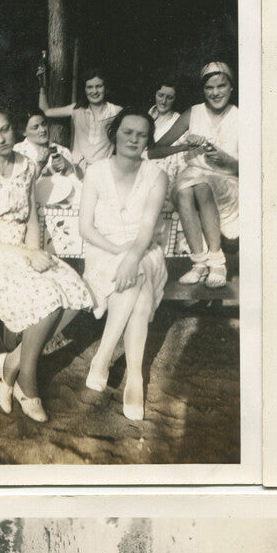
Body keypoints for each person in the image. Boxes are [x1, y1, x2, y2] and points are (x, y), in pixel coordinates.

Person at [0, 97, 93, 424]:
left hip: (21, 245)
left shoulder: (27, 165)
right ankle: (28, 382)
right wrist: (23, 256)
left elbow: (32, 218)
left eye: (5, 129)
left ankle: (11, 364)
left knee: (75, 292)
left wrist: (34, 253)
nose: (1, 139)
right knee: (47, 299)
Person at [79, 110, 169, 421]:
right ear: (115, 133)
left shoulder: (157, 176)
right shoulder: (95, 172)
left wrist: (130, 257)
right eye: (127, 132)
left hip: (144, 251)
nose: (133, 139)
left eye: (141, 135)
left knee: (139, 271)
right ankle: (134, 378)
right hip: (103, 251)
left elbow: (146, 232)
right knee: (139, 294)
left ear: (148, 140)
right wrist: (118, 251)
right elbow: (86, 228)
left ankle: (105, 359)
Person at [150, 61, 239, 288]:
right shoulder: (193, 113)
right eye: (209, 88)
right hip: (193, 176)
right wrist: (184, 147)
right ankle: (199, 262)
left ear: (231, 87)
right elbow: (155, 150)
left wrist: (228, 161)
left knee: (198, 186)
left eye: (221, 86)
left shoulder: (240, 116)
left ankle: (217, 261)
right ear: (203, 90)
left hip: (227, 180)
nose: (215, 92)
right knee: (184, 188)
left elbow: (255, 168)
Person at [14, 111, 83, 258]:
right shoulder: (17, 153)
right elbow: (18, 190)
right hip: (30, 216)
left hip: (58, 219)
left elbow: (76, 190)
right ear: (24, 131)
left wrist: (68, 168)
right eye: (35, 127)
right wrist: (38, 166)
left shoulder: (62, 150)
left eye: (44, 124)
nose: (42, 130)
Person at [39, 69, 122, 175]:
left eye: (99, 86)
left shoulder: (116, 111)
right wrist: (42, 85)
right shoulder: (77, 109)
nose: (94, 91)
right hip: (76, 170)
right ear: (85, 89)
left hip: (102, 171)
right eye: (90, 87)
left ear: (105, 88)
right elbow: (46, 111)